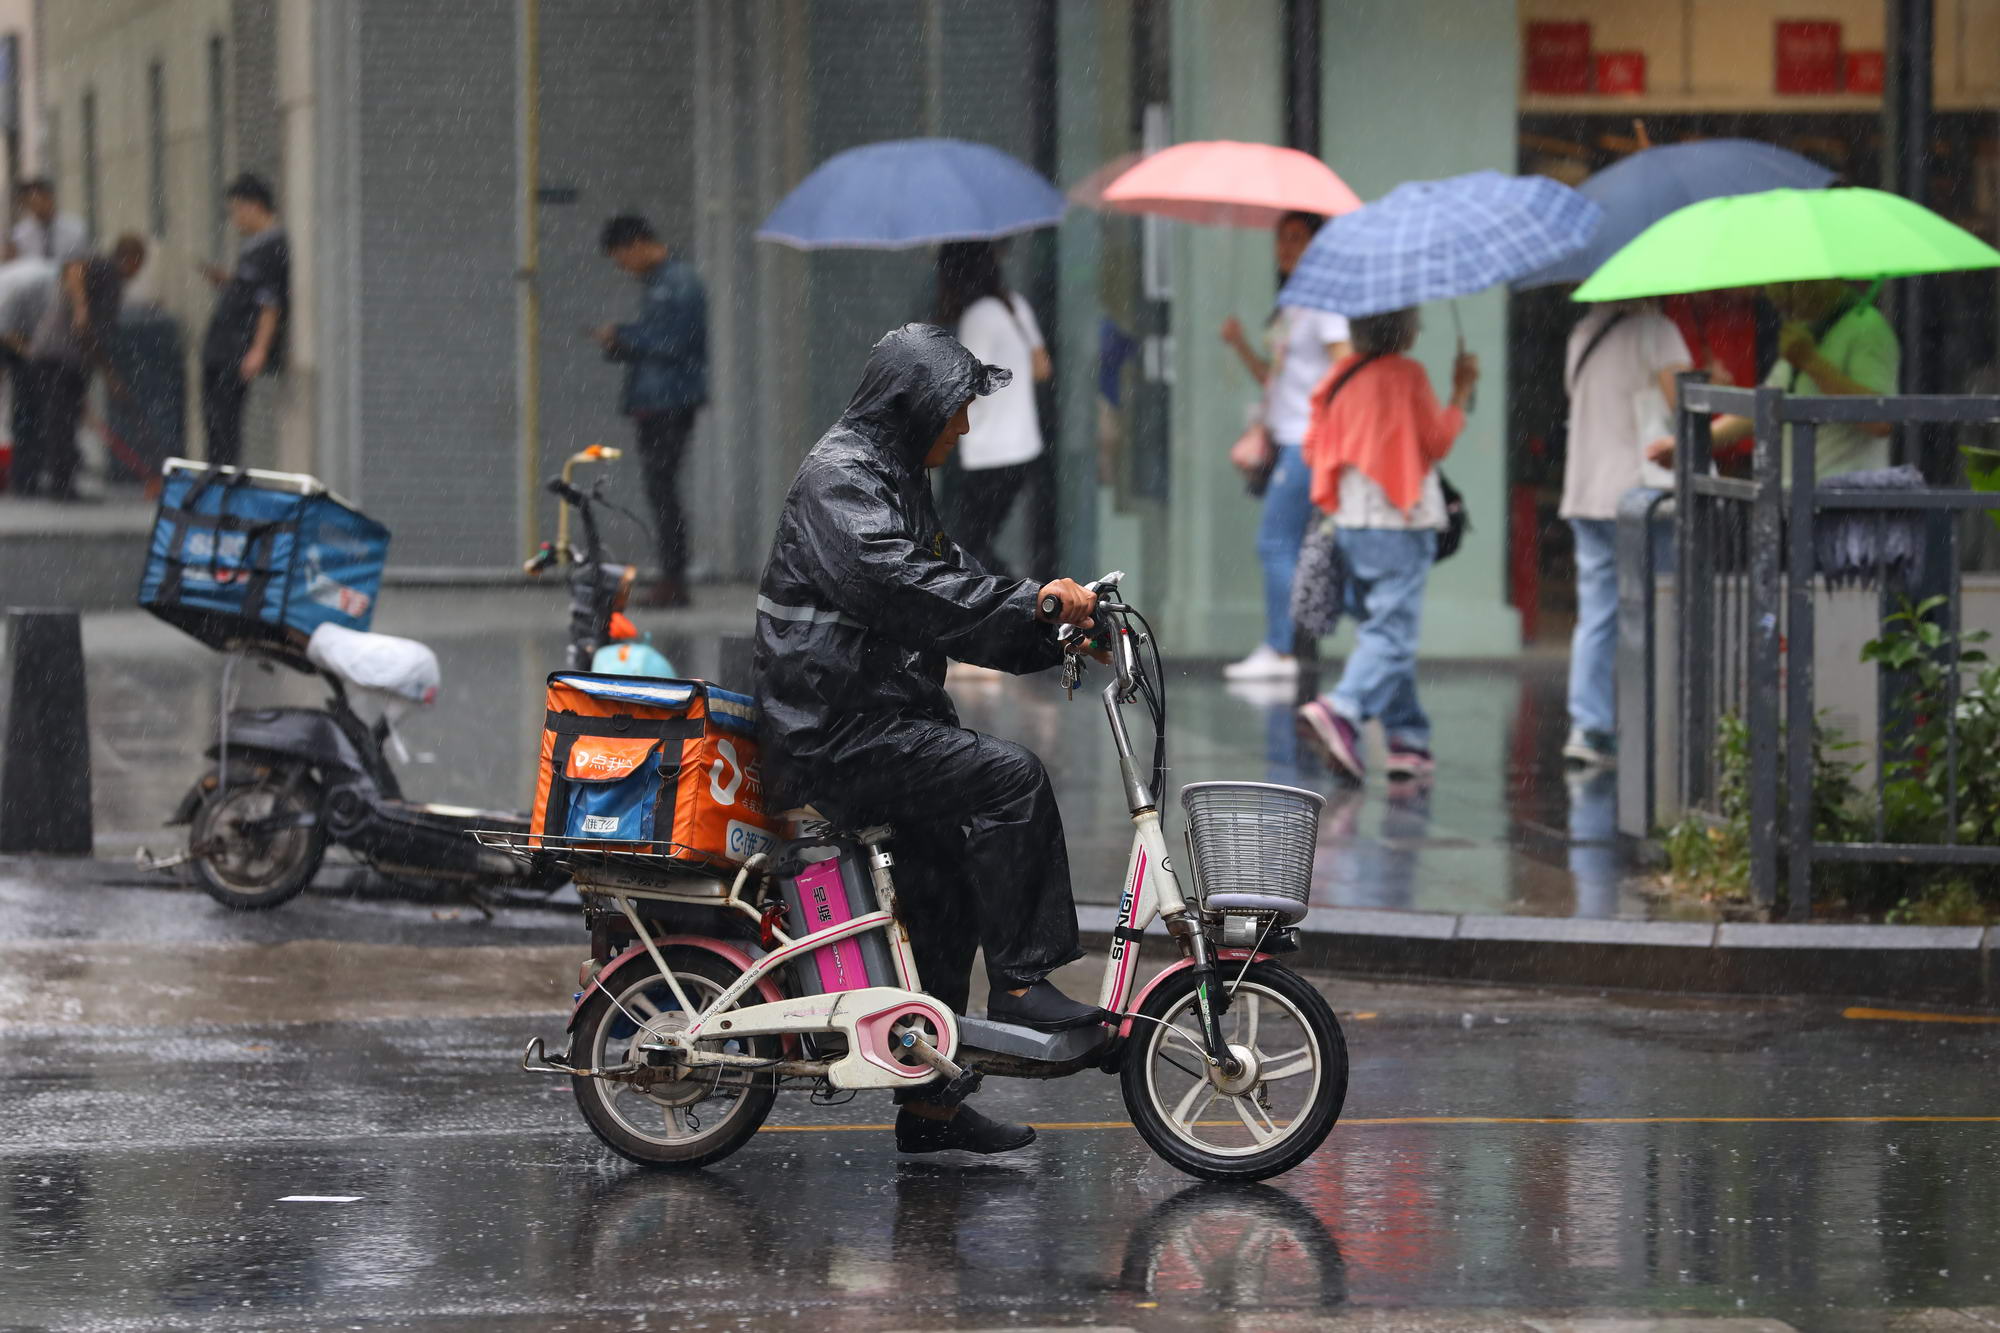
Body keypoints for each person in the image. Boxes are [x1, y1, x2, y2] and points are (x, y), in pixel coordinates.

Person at [754, 323, 1108, 1157]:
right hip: (835, 733)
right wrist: (1032, 606)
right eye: (956, 410)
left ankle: (933, 1104)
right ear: (916, 410)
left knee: (944, 891)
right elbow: (909, 588)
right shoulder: (842, 481)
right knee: (1011, 780)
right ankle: (1021, 982)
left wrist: (1047, 626)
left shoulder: (892, 476)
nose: (967, 426)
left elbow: (958, 584)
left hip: (874, 720)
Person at [1294, 307, 1477, 784]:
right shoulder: (1408, 374)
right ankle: (1342, 708)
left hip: (1349, 521)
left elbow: (1312, 449)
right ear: (1403, 330)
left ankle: (1407, 738)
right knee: (1392, 636)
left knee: (1382, 627)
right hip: (1402, 518)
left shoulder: (1337, 376)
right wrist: (1460, 392)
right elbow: (1436, 442)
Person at [1558, 299, 1691, 768]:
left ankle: (1589, 725)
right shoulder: (1657, 331)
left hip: (1586, 490)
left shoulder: (1582, 333)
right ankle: (1652, 720)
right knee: (1658, 607)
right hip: (1641, 493)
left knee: (1598, 614)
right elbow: (1685, 407)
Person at [1219, 210, 1351, 681]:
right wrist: (1239, 345)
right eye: (1281, 238)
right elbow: (1276, 380)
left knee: (1276, 542)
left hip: (1305, 443)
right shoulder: (1292, 302)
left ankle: (1281, 650)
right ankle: (1298, 645)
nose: (1286, 246)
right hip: (1288, 439)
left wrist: (1324, 420)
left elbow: (1345, 365)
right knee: (1301, 544)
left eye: (1297, 237)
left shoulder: (1324, 304)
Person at [1646, 279, 1898, 481]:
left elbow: (1880, 421)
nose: (1781, 307)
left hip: (1845, 504)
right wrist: (1692, 442)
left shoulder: (1867, 329)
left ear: (1816, 284)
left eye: (1787, 293)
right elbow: (1764, 408)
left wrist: (1812, 363)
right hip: (1799, 503)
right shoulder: (1806, 333)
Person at [593, 214, 708, 609]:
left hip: (668, 401)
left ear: (637, 244)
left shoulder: (676, 282)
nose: (623, 266)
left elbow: (674, 342)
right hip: (658, 399)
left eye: (621, 257)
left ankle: (674, 579)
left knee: (663, 488)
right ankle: (671, 577)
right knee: (660, 488)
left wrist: (622, 336)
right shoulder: (663, 282)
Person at [934, 240, 1053, 578]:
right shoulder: (1013, 306)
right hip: (1021, 449)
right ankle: (1018, 595)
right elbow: (1043, 368)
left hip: (987, 452)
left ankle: (1023, 597)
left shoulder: (978, 317)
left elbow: (968, 384)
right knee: (971, 540)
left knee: (960, 542)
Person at [20, 236, 147, 500]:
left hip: (67, 357)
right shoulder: (106, 269)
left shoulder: (112, 283)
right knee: (60, 422)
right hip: (58, 354)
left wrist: (108, 375)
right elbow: (73, 268)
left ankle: (63, 483)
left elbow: (95, 339)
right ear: (131, 258)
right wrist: (80, 308)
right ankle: (61, 486)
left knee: (64, 419)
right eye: (140, 263)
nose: (139, 271)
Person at [198, 173, 289, 471]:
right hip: (221, 347)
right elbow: (250, 292)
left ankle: (225, 495)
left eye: (237, 209)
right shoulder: (253, 248)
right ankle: (217, 487)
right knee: (214, 424)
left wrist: (259, 350)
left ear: (254, 206)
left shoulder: (272, 247)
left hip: (235, 350)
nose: (235, 218)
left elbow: (269, 303)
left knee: (225, 427)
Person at [0, 254, 56, 493]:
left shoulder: (44, 284)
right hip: (12, 335)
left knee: (27, 407)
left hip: (18, 332)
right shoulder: (31, 288)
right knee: (25, 409)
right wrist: (32, 355)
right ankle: (24, 477)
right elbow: (8, 334)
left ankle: (26, 475)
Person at [8, 180, 87, 265]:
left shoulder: (75, 229)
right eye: (32, 202)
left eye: (40, 200)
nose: (38, 206)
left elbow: (82, 261)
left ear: (50, 198)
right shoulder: (19, 234)